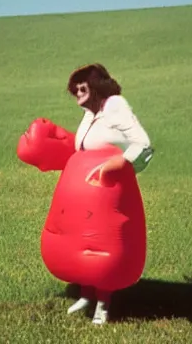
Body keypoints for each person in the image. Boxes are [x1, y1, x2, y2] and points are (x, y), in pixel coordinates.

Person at [65, 63, 153, 324]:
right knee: (83, 241)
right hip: (85, 191)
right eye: (75, 87)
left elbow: (143, 143)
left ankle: (103, 303)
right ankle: (86, 293)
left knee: (103, 245)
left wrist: (121, 165)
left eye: (84, 84)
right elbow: (83, 148)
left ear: (96, 86)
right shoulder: (89, 114)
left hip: (109, 190)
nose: (78, 90)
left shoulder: (114, 106)